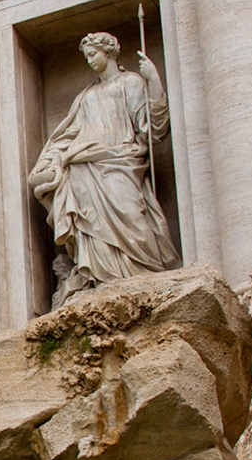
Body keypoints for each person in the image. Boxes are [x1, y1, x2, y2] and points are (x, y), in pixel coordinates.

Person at [28, 31, 179, 306]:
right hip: (83, 167)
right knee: (90, 224)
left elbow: (152, 129)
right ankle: (98, 279)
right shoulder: (86, 96)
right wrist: (49, 162)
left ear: (109, 53)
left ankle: (144, 272)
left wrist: (154, 81)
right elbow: (68, 135)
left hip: (122, 161)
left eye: (92, 55)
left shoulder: (131, 82)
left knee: (132, 214)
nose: (89, 61)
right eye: (86, 57)